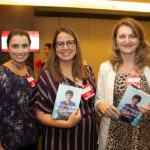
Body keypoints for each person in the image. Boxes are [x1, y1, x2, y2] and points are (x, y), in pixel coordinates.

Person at [34, 26, 97, 150]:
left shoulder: (87, 71)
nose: (65, 47)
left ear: (76, 45)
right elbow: (40, 115)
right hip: (60, 139)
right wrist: (67, 124)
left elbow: (93, 103)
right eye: (60, 44)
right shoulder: (46, 76)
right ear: (55, 48)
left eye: (69, 43)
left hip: (88, 138)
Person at [95, 17, 150, 150]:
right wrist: (101, 105)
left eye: (132, 36)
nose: (127, 41)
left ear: (139, 40)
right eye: (122, 36)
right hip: (112, 139)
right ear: (116, 40)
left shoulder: (148, 68)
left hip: (143, 138)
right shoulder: (106, 68)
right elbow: (97, 101)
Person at [0, 29, 40, 150]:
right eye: (15, 46)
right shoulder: (2, 74)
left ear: (29, 47)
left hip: (32, 137)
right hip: (9, 141)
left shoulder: (29, 70)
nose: (20, 51)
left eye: (24, 46)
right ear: (7, 48)